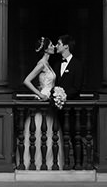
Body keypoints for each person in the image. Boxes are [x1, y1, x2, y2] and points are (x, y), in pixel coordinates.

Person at [20, 37, 64, 170]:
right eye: (51, 44)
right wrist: (40, 94)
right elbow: (26, 80)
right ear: (46, 49)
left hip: (49, 101)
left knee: (49, 131)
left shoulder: (47, 63)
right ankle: (36, 162)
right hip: (43, 101)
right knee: (40, 129)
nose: (54, 46)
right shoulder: (42, 64)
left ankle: (49, 162)